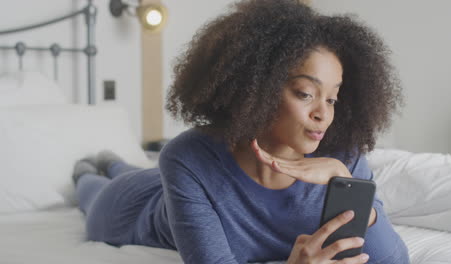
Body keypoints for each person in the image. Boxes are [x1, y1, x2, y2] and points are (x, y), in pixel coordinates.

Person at [73, 0, 410, 263]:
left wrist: (344, 180)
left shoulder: (343, 158)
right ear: (257, 87)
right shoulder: (188, 157)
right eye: (305, 94)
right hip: (132, 208)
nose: (323, 114)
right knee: (92, 189)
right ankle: (94, 165)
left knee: (140, 172)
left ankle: (114, 163)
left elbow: (394, 261)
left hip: (172, 188)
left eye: (333, 99)